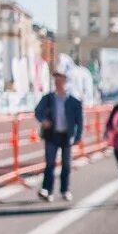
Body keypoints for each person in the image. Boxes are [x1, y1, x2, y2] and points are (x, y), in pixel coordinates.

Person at [33, 71, 84, 203]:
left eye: (60, 79)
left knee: (66, 164)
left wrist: (78, 136)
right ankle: (47, 190)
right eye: (56, 79)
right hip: (52, 135)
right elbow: (37, 111)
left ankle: (65, 190)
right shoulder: (48, 98)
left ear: (65, 81)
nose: (57, 82)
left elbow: (80, 120)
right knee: (50, 163)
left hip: (66, 136)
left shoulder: (74, 101)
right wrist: (43, 120)